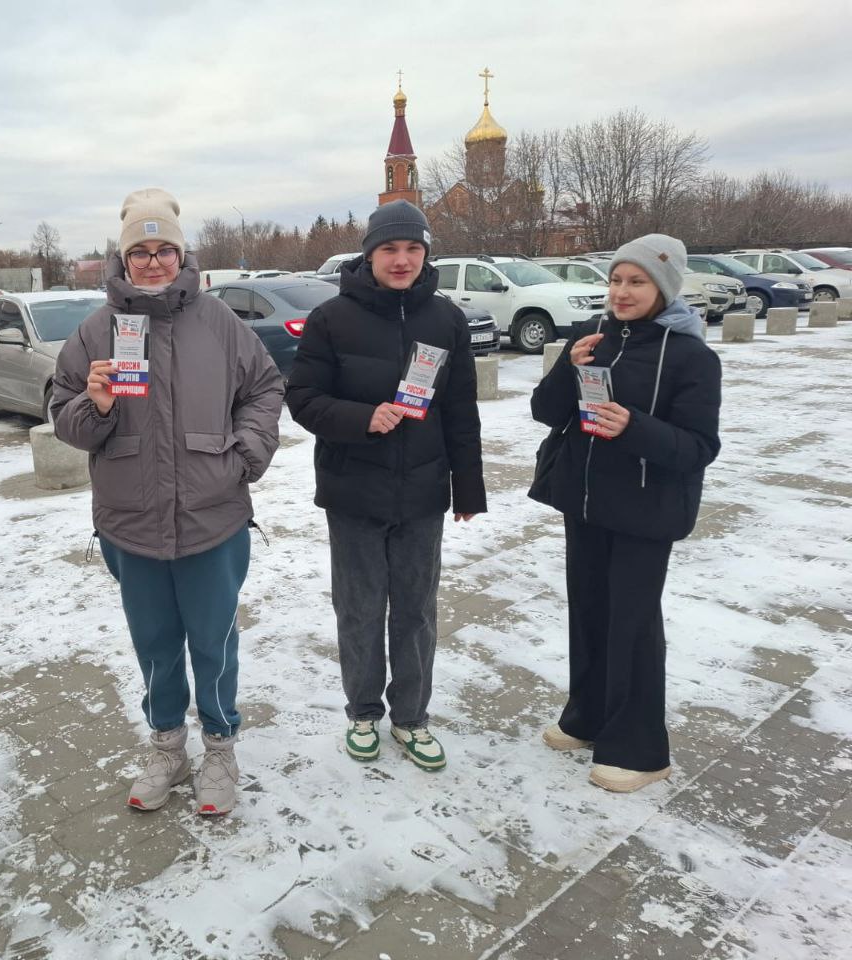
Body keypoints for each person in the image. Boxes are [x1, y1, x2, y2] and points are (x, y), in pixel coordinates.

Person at [52, 188, 283, 816]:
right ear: (123, 260)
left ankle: (220, 748)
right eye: (140, 252)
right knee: (154, 643)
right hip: (132, 522)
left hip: (214, 517)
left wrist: (245, 455)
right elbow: (64, 418)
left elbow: (265, 389)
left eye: (165, 250)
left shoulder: (220, 323)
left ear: (183, 255)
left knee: (213, 642)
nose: (153, 262)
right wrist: (92, 406)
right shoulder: (98, 330)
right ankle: (167, 747)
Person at [285, 201, 486, 771]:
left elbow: (461, 408)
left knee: (417, 612)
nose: (401, 260)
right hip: (354, 493)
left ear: (426, 255)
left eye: (413, 249)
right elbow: (302, 399)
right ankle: (364, 713)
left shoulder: (445, 319)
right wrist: (362, 417)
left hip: (423, 492)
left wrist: (467, 487)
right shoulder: (332, 318)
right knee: (360, 607)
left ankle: (412, 718)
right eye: (389, 249)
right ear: (369, 254)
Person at [530, 233, 721, 793]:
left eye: (636, 281)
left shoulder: (691, 356)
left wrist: (633, 428)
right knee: (590, 614)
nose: (622, 291)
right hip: (585, 503)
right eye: (616, 279)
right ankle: (587, 718)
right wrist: (569, 366)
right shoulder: (596, 339)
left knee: (632, 625)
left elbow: (698, 447)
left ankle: (640, 751)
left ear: (663, 287)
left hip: (645, 510)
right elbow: (546, 412)